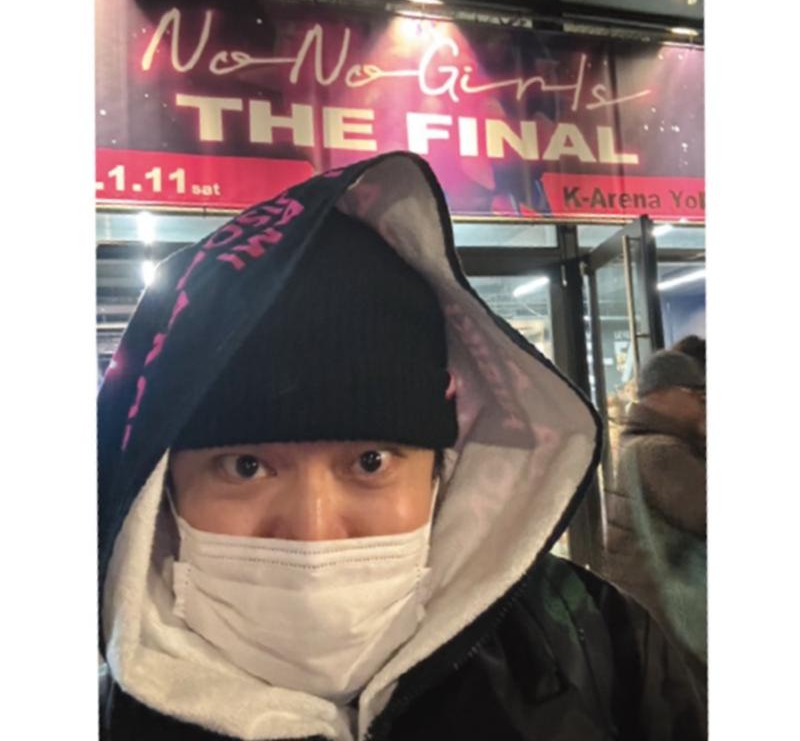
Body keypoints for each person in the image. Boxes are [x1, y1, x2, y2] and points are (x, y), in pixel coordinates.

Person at [98, 152, 704, 740]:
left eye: (371, 462)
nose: (314, 531)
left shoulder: (600, 648)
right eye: (246, 466)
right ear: (165, 490)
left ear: (441, 469)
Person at [600, 349, 707, 711]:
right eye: (696, 395)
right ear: (663, 394)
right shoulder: (659, 452)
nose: (703, 405)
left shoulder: (637, 445)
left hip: (653, 620)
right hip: (675, 620)